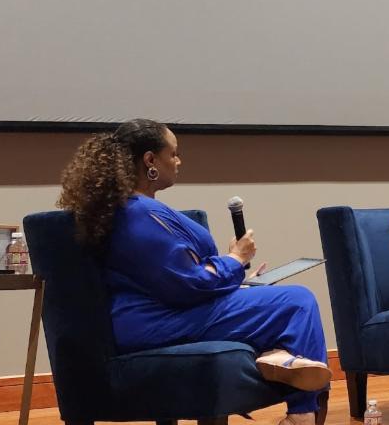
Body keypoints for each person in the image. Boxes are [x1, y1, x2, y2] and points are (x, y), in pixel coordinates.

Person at [57, 119, 331, 425]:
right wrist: (236, 259)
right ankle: (302, 413)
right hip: (158, 320)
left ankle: (280, 358)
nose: (178, 161)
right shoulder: (137, 215)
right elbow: (188, 284)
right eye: (173, 154)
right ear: (150, 160)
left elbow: (173, 276)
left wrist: (238, 280)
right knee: (297, 302)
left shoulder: (131, 210)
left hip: (168, 312)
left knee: (276, 302)